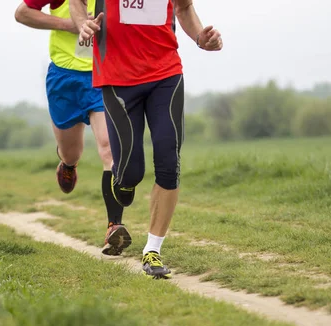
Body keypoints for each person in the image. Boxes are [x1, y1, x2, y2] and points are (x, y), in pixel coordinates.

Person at [71, 0, 223, 278]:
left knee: (169, 160)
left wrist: (202, 38)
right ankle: (123, 181)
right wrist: (82, 23)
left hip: (165, 74)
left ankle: (153, 250)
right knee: (130, 173)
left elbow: (184, 8)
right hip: (117, 78)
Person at [15, 0, 131, 256]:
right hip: (64, 79)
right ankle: (67, 165)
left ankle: (114, 225)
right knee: (72, 152)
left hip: (102, 76)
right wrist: (68, 25)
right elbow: (22, 14)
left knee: (109, 149)